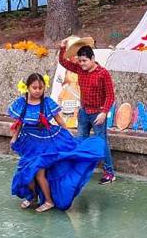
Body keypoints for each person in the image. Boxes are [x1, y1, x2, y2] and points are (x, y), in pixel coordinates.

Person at [8, 73, 105, 212]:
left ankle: (48, 201)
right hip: (29, 143)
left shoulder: (47, 102)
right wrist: (14, 137)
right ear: (27, 87)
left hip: (45, 143)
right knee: (27, 171)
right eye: (34, 87)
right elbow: (19, 123)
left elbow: (59, 120)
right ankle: (33, 196)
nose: (37, 90)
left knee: (39, 173)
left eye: (40, 88)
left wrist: (67, 133)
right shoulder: (21, 103)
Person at [58, 40, 117, 184]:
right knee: (80, 140)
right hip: (84, 112)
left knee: (101, 142)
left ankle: (109, 172)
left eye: (84, 61)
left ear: (92, 59)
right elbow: (63, 63)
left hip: (98, 114)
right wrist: (62, 48)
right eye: (80, 61)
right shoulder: (79, 69)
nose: (82, 64)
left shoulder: (103, 74)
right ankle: (79, 170)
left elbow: (110, 95)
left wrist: (104, 113)